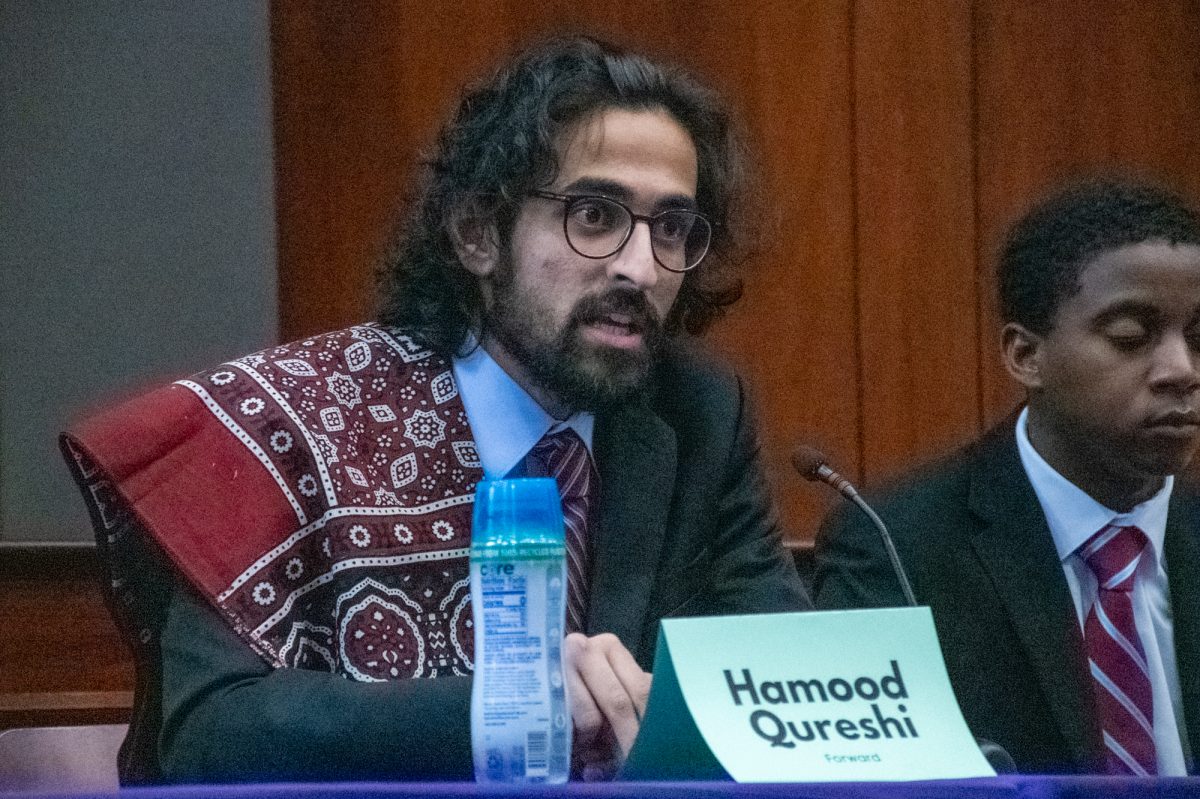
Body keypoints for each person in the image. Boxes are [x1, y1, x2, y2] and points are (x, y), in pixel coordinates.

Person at [61, 36, 808, 784]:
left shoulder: (697, 413)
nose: (641, 267)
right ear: (478, 233)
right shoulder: (287, 427)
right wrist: (506, 711)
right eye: (593, 215)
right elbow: (206, 733)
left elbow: (785, 680)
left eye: (671, 228)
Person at [812, 178, 1200, 776]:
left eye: (1198, 340)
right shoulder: (897, 546)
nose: (1180, 370)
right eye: (1131, 337)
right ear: (1025, 356)